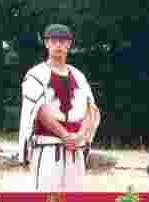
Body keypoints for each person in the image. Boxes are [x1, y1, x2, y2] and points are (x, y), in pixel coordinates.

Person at [18, 24, 101, 190]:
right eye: (54, 41)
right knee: (46, 201)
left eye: (62, 41)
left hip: (74, 150)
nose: (58, 45)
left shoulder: (79, 76)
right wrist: (64, 135)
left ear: (69, 44)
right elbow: (39, 111)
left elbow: (90, 110)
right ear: (46, 43)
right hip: (47, 148)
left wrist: (80, 136)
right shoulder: (36, 75)